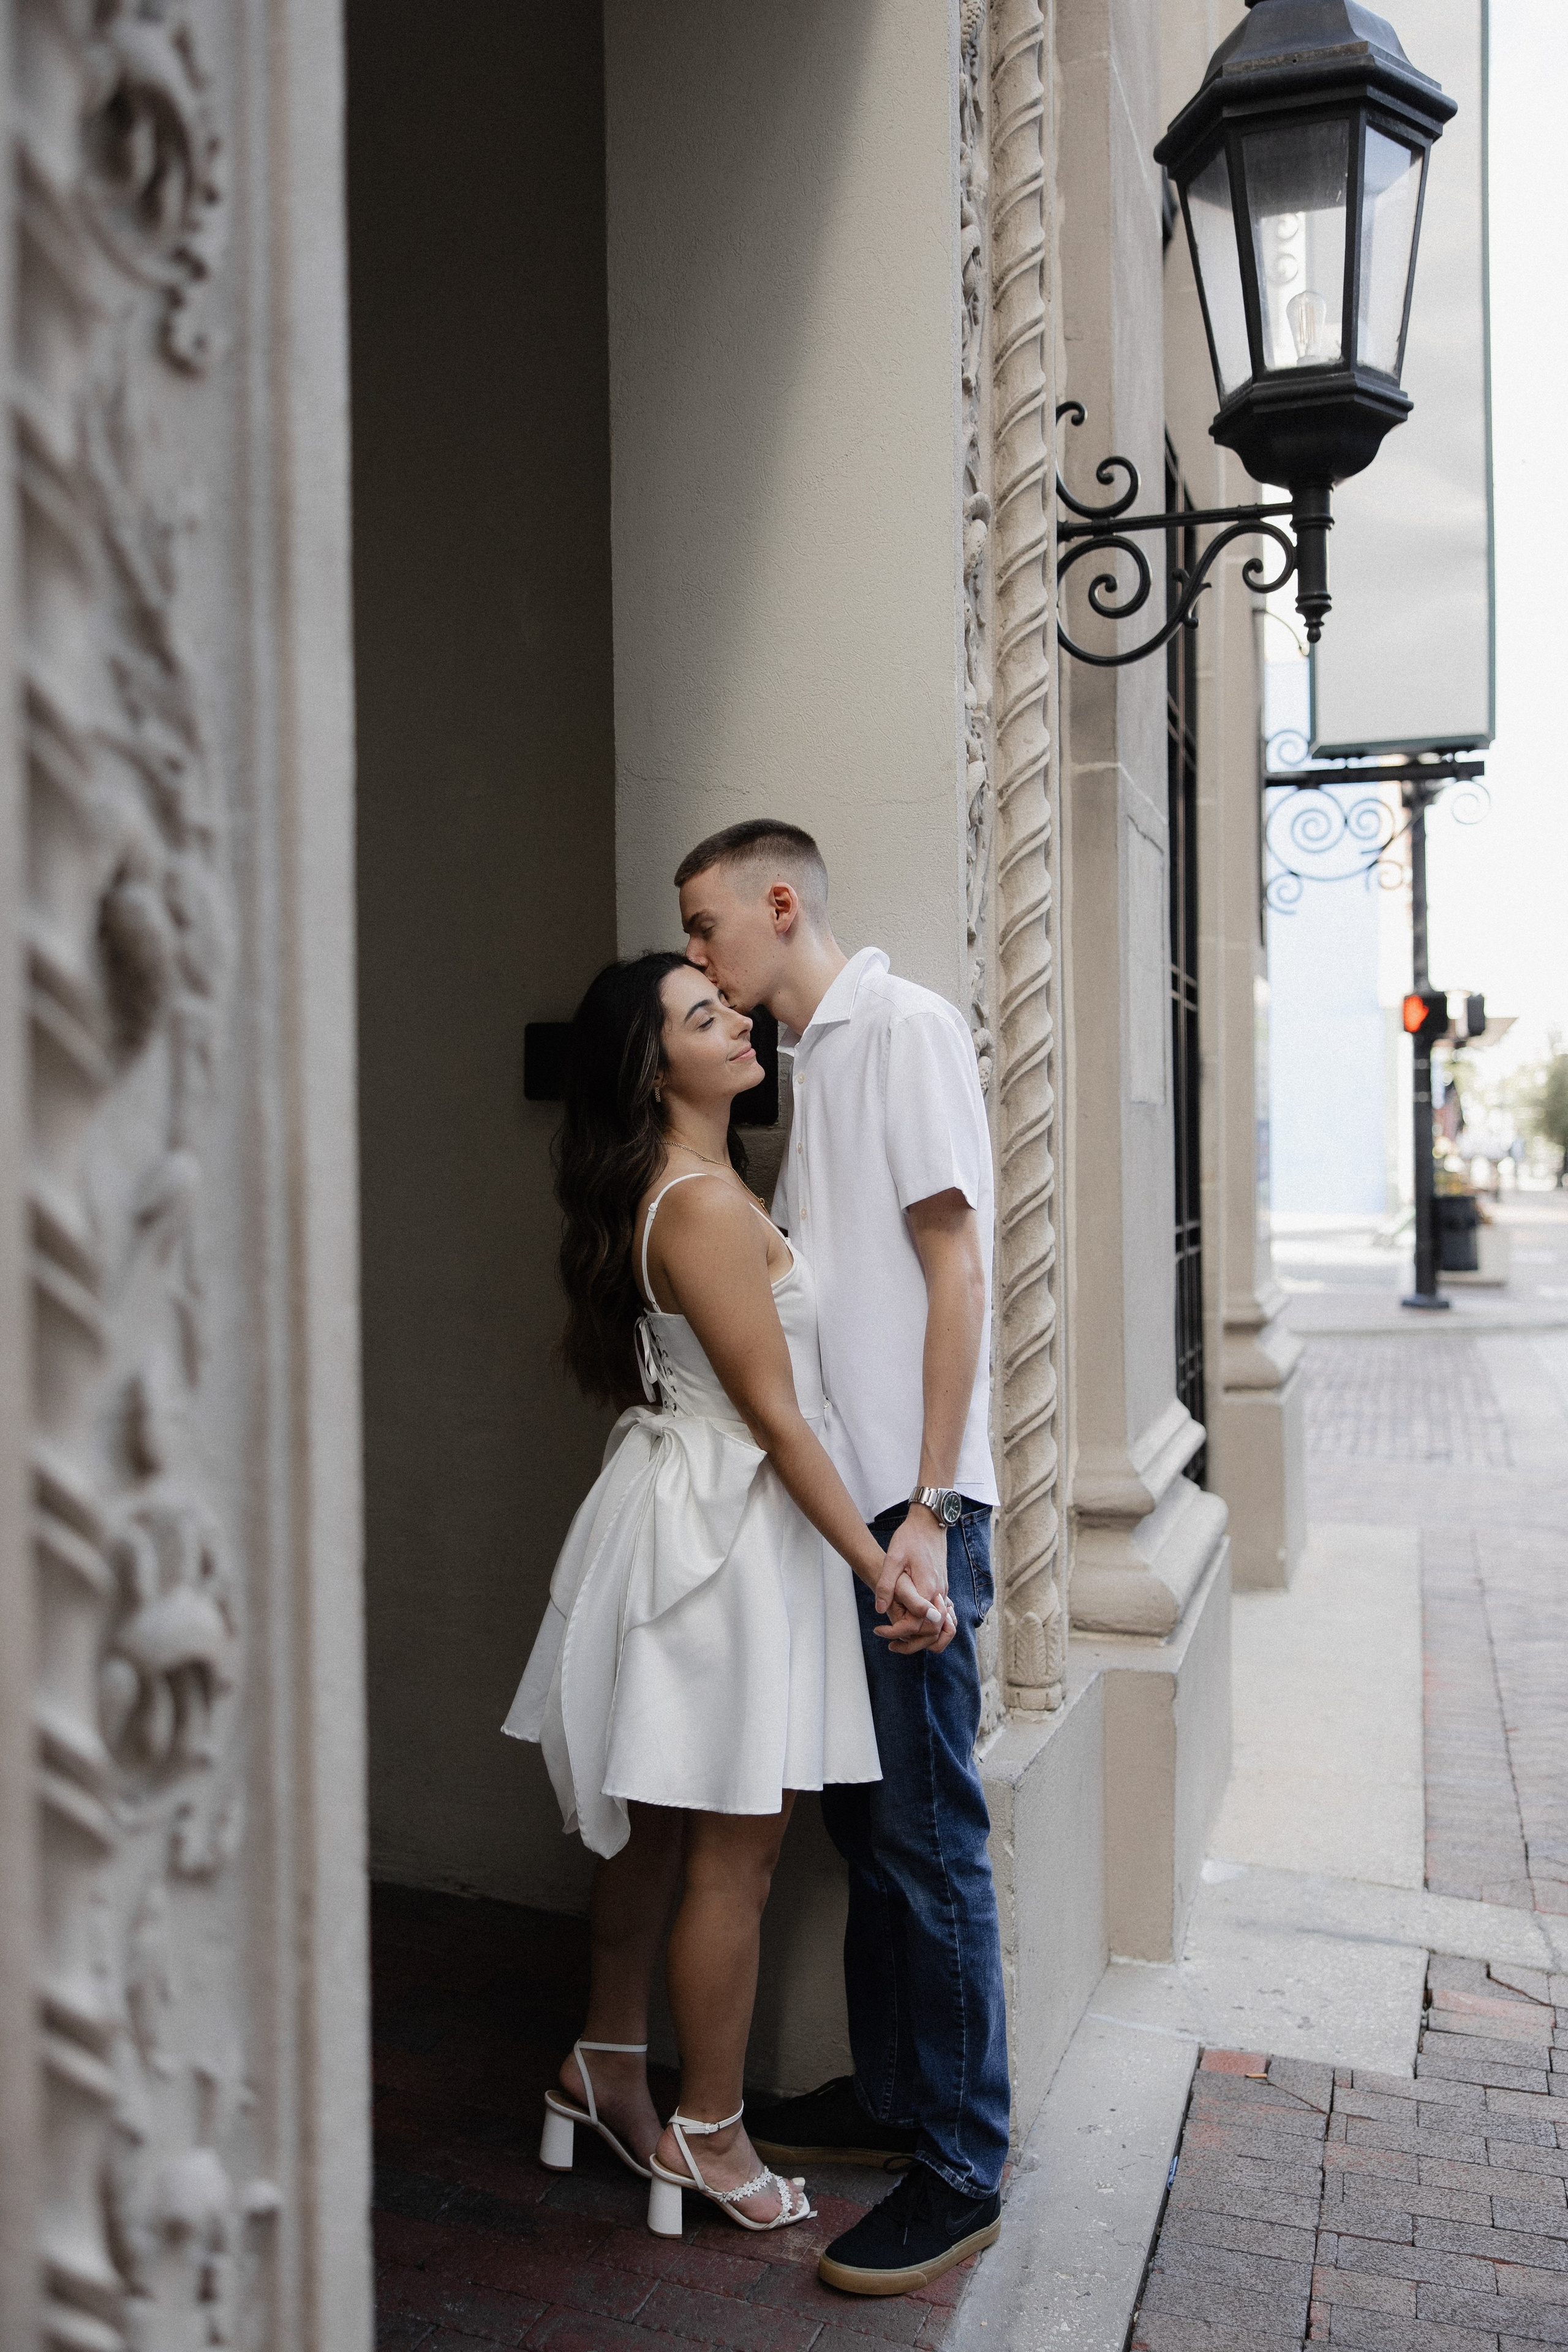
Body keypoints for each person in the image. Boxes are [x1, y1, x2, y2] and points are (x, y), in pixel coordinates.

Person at [502, 951, 953, 2241]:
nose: (739, 1021)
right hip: (729, 1542)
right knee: (735, 1860)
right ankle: (705, 2131)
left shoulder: (691, 1179)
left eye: (726, 1004)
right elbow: (776, 1418)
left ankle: (602, 2062)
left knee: (655, 1832)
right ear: (657, 1072)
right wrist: (881, 1563)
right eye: (705, 1018)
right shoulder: (697, 1201)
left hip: (688, 1520)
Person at [677, 820, 1010, 2297]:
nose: (698, 958)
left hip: (907, 1513)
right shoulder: (809, 1061)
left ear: (778, 901)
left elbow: (956, 1269)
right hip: (850, 1516)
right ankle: (893, 2100)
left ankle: (962, 2164)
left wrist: (927, 1507)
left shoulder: (904, 1027)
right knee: (871, 1836)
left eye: (705, 927)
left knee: (928, 1842)